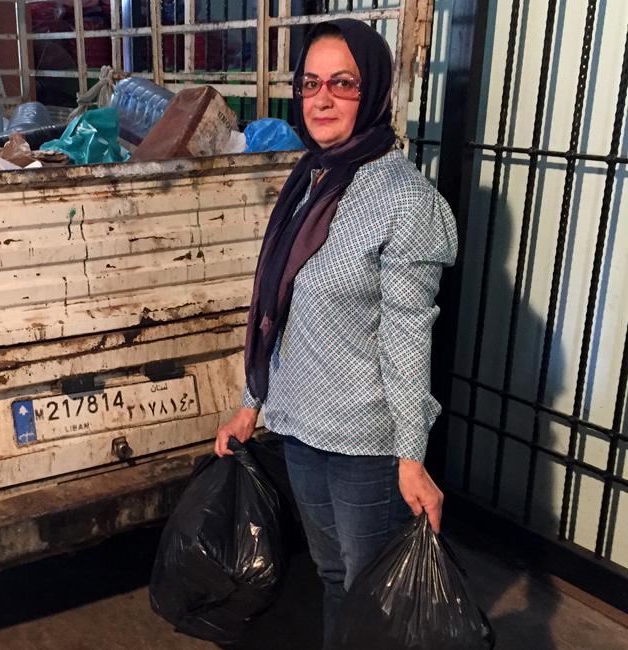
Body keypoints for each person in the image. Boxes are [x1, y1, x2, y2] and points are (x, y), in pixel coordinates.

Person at [213, 18, 457, 646]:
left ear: (373, 90)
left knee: (370, 591)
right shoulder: (313, 177)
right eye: (311, 83)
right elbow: (280, 308)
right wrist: (252, 405)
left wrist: (411, 456)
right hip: (300, 427)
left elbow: (407, 336)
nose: (320, 99)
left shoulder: (406, 199)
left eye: (342, 84)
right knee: (330, 576)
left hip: (365, 443)